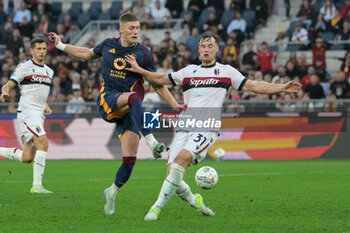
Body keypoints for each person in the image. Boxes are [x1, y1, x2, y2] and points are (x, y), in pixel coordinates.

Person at [125, 32, 302, 221]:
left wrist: (281, 88)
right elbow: (160, 79)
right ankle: (196, 203)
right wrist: (139, 70)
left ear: (217, 49)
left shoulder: (227, 71)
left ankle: (155, 208)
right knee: (173, 176)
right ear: (199, 49)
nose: (206, 49)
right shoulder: (188, 71)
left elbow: (253, 86)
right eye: (203, 46)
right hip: (186, 125)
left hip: (207, 127)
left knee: (181, 161)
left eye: (210, 45)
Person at [48, 13, 183, 215]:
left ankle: (111, 193)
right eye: (131, 28)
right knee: (135, 98)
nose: (135, 31)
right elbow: (86, 54)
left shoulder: (144, 54)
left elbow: (157, 84)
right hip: (109, 99)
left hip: (131, 111)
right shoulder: (108, 45)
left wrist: (174, 103)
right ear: (122, 29)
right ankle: (152, 141)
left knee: (129, 162)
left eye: (138, 28)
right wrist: (60, 45)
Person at [0, 38, 54, 194]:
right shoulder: (24, 67)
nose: (42, 51)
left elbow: (40, 93)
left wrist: (46, 105)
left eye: (44, 48)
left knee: (27, 157)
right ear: (32, 51)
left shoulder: (49, 71)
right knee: (43, 143)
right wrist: (5, 91)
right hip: (27, 112)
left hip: (39, 114)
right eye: (38, 49)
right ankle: (37, 187)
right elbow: (10, 83)